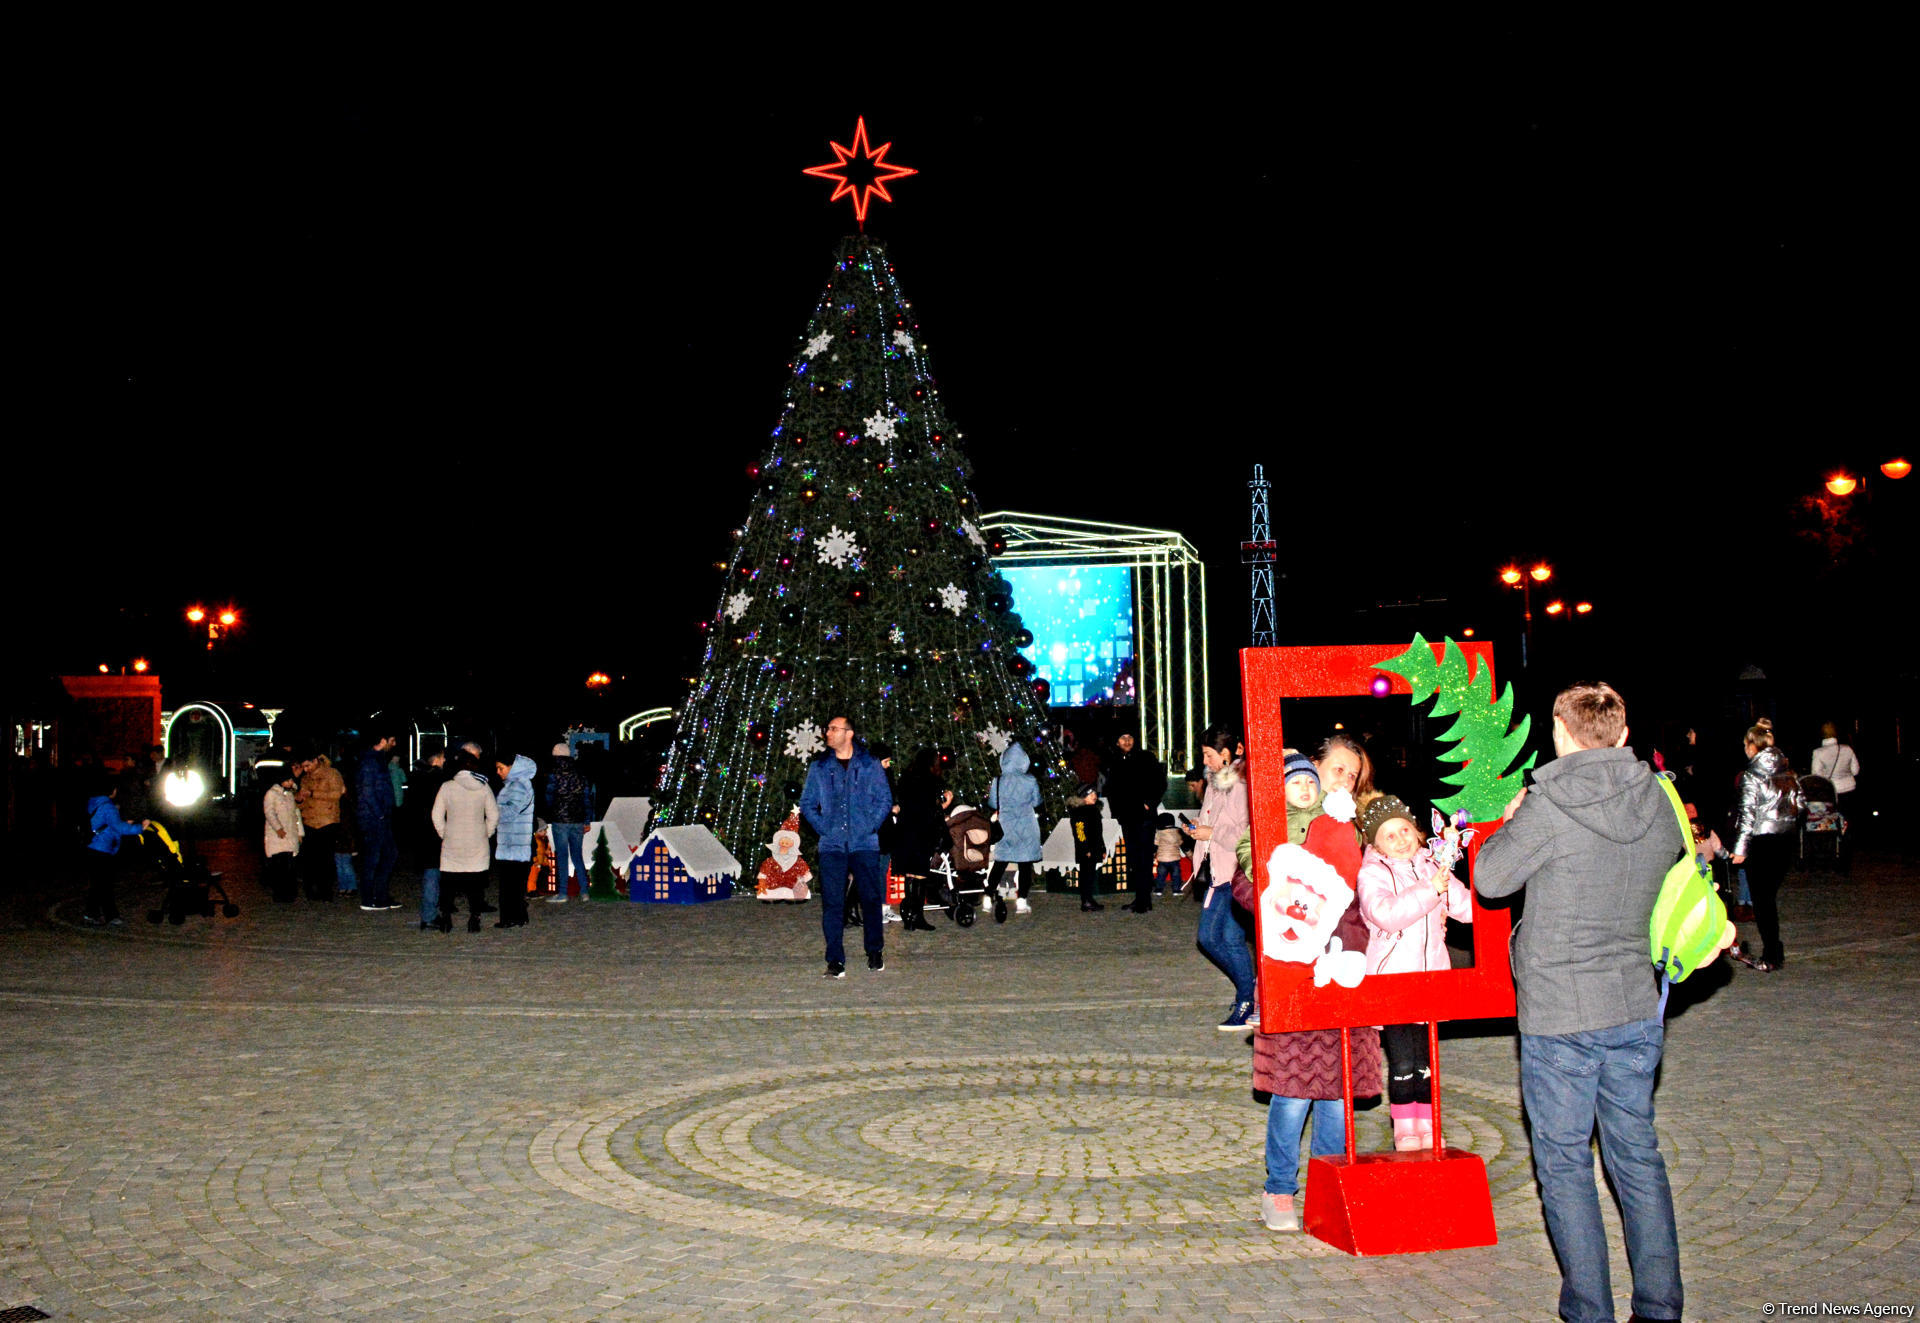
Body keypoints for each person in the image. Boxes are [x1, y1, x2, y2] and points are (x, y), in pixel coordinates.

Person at [1474, 681, 1690, 1323]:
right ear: (1622, 736)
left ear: (1561, 734)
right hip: (1633, 1005)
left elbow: (1489, 879)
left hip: (1561, 1014)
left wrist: (1511, 822)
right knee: (1637, 1157)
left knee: (1566, 1165)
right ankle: (1658, 1307)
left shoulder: (1548, 804)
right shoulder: (1658, 797)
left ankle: (1588, 1310)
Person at [1248, 786, 1382, 1233]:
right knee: (1292, 1093)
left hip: (1341, 990)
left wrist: (1351, 952)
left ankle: (1330, 1183)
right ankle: (1280, 1187)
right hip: (1295, 989)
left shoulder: (1354, 860)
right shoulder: (1281, 840)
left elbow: (1366, 916)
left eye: (1353, 772)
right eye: (1338, 769)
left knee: (1338, 1096)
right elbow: (1248, 889)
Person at [1357, 793, 1472, 1150]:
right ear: (1375, 844)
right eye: (1389, 835)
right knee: (1404, 1061)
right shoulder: (1372, 873)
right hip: (1393, 981)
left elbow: (1466, 910)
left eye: (1405, 830)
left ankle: (1428, 1123)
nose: (1401, 839)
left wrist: (1448, 880)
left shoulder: (1430, 863)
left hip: (1430, 978)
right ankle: (1405, 1128)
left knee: (1426, 1063)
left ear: (1418, 832)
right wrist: (1429, 889)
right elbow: (1387, 913)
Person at [799, 714, 892, 976]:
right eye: (827, 729)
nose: (827, 733)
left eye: (833, 729)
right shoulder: (820, 767)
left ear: (848, 733)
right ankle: (835, 959)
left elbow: (884, 800)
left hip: (864, 844)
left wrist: (869, 825)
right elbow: (807, 804)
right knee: (832, 902)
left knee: (871, 899)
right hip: (832, 846)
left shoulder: (869, 764)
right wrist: (824, 828)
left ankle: (874, 951)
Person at [1187, 725, 1255, 1031]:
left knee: (1229, 939)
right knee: (1208, 938)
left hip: (1236, 874)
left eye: (1208, 754)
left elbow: (1247, 834)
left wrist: (1211, 832)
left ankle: (1246, 998)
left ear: (1225, 754)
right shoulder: (1215, 783)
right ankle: (1250, 986)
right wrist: (1198, 827)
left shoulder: (1240, 786)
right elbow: (1211, 821)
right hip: (1217, 872)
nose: (1205, 759)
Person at [1730, 720, 1800, 972]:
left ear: (1752, 746)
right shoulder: (1787, 771)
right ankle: (1775, 950)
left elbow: (1747, 815)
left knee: (1762, 901)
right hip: (1784, 840)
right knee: (1768, 898)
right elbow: (1800, 803)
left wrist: (1740, 849)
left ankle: (1771, 954)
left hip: (1761, 841)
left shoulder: (1752, 775)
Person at [431, 748, 498, 933]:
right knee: (476, 885)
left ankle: (446, 919)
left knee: (448, 885)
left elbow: (436, 814)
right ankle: (474, 919)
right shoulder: (483, 787)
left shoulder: (447, 787)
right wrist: (486, 833)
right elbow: (493, 814)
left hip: (453, 843)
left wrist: (445, 833)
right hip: (477, 843)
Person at [1105, 731, 1163, 913]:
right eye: (1122, 738)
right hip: (1127, 817)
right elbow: (1112, 788)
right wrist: (1118, 812)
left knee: (1144, 859)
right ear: (1117, 741)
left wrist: (1150, 802)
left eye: (1130, 737)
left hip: (1143, 817)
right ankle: (1140, 898)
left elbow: (1160, 781)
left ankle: (1144, 901)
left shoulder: (1146, 757)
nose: (1127, 741)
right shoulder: (1114, 761)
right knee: (1134, 859)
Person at [890, 748, 947, 931]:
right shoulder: (931, 781)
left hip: (906, 830)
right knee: (920, 874)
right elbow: (931, 809)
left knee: (910, 874)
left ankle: (909, 916)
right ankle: (918, 916)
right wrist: (945, 803)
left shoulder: (906, 778)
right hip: (922, 830)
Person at [987, 742, 1043, 916]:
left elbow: (992, 803)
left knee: (1000, 862)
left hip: (1006, 826)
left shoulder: (998, 781)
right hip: (1026, 826)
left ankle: (988, 897)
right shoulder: (1030, 780)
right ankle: (1022, 900)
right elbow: (1036, 802)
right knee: (1025, 865)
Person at [83, 781, 148, 925]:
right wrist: (139, 828)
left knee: (97, 883)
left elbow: (106, 825)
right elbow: (118, 828)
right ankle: (110, 916)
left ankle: (92, 913)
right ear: (112, 791)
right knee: (105, 884)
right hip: (102, 848)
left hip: (93, 846)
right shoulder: (108, 807)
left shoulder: (94, 803)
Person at [354, 733, 402, 911]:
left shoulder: (377, 759)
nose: (394, 744)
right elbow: (367, 791)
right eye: (392, 740)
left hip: (380, 816)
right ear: (382, 740)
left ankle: (380, 895)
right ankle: (369, 898)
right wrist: (380, 813)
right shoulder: (370, 761)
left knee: (389, 854)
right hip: (373, 818)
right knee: (373, 858)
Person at [544, 741, 594, 902]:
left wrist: (551, 811)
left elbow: (549, 797)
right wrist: (587, 819)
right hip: (578, 819)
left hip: (560, 819)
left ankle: (563, 893)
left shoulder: (553, 773)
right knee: (577, 855)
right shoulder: (580, 773)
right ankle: (584, 891)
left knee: (562, 856)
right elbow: (587, 798)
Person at [492, 754, 536, 929]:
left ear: (513, 767)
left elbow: (509, 812)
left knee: (509, 884)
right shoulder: (518, 784)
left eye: (501, 768)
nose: (498, 772)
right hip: (515, 842)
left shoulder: (517, 786)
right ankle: (518, 916)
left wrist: (491, 810)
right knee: (515, 883)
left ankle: (509, 918)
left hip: (513, 842)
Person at [295, 751, 345, 902]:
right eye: (303, 766)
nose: (306, 769)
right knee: (309, 859)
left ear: (316, 760)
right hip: (309, 821)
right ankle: (311, 890)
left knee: (325, 858)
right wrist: (299, 800)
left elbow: (336, 794)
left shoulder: (332, 774)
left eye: (308, 765)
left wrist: (313, 793)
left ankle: (325, 890)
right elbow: (303, 801)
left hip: (327, 821)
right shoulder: (305, 778)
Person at [1809, 721, 1860, 871]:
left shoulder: (1818, 752)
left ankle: (1828, 853)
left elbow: (1816, 776)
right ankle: (1846, 855)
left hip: (1830, 793)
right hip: (1849, 790)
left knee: (1828, 823)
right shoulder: (1847, 749)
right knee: (1847, 824)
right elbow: (1855, 770)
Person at [409, 750, 450, 929]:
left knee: (430, 873)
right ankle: (429, 914)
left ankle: (430, 912)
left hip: (420, 831)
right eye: (442, 758)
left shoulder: (417, 777)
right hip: (434, 832)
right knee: (433, 874)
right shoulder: (437, 780)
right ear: (436, 760)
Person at [262, 766, 304, 903]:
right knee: (279, 866)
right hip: (277, 837)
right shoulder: (271, 794)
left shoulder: (290, 794)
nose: (290, 782)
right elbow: (269, 813)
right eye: (288, 780)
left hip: (290, 835)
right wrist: (278, 828)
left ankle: (290, 893)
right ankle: (279, 894)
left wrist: (299, 833)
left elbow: (295, 814)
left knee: (290, 867)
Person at [1068, 781, 1107, 912]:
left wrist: (1102, 848)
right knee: (1086, 875)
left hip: (1093, 848)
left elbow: (1098, 832)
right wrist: (1086, 849)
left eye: (1095, 793)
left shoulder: (1093, 811)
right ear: (1084, 796)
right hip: (1086, 850)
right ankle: (1086, 900)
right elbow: (1080, 832)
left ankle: (1089, 899)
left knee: (1090, 875)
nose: (1095, 795)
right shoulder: (1080, 812)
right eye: (1091, 794)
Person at [1151, 813, 1184, 897]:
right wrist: (1190, 854)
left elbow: (1155, 845)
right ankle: (1176, 890)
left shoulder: (1158, 833)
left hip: (1162, 859)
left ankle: (1159, 889)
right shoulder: (1178, 832)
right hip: (1175, 859)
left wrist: (1152, 855)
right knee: (1176, 875)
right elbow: (1182, 843)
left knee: (1161, 875)